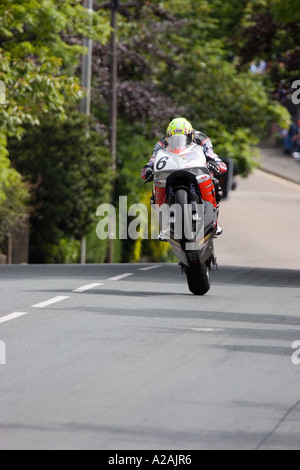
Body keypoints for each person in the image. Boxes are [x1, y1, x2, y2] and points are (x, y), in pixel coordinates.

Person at [141, 117, 227, 236]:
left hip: (196, 169)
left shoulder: (201, 139)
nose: (177, 142)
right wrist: (148, 170)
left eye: (182, 138)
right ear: (168, 136)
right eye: (173, 140)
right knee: (154, 190)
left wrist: (215, 165)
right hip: (172, 171)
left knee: (215, 183)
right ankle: (163, 226)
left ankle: (214, 222)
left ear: (190, 135)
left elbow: (214, 157)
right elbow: (151, 162)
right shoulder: (161, 144)